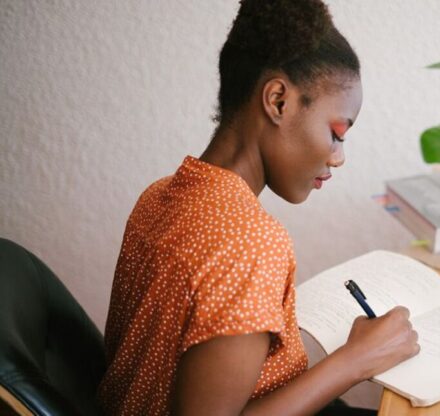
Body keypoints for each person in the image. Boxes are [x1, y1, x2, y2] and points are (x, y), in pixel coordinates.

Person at [97, 0, 420, 415]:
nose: (339, 157)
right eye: (337, 133)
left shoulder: (159, 196)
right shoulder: (251, 242)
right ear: (278, 101)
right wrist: (355, 360)